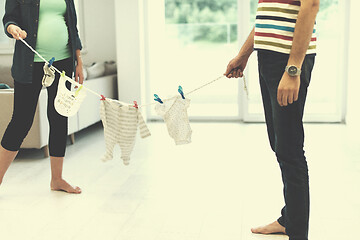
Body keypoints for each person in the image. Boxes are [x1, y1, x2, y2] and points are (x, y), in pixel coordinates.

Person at [225, 0, 319, 239]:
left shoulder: (291, 66)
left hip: (286, 61)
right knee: (279, 145)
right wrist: (243, 55)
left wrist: (293, 69)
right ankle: (290, 219)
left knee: (290, 150)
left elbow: (311, 6)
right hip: (269, 58)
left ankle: (297, 232)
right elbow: (267, 16)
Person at [0, 0, 84, 194]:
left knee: (59, 117)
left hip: (63, 63)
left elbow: (73, 26)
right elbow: (9, 19)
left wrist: (78, 62)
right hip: (30, 63)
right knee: (21, 121)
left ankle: (57, 179)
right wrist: (13, 28)